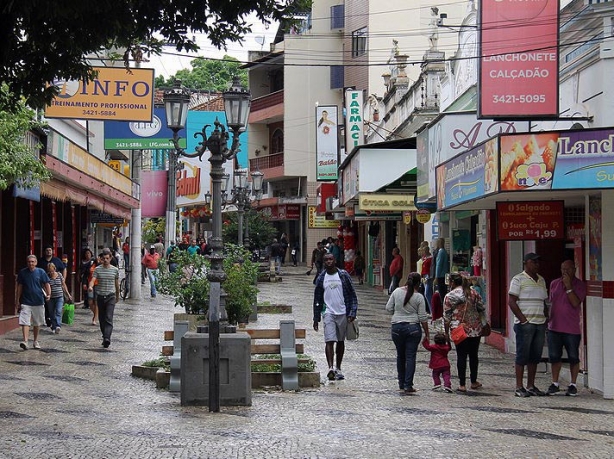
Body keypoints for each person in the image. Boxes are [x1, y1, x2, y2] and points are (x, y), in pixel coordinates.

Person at [508, 252, 548, 397]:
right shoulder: (518, 279)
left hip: (539, 322)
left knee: (535, 356)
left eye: (538, 262)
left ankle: (531, 385)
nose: (537, 265)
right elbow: (511, 301)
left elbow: (544, 301)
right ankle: (519, 386)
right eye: (534, 262)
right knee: (522, 355)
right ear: (526, 263)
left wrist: (546, 317)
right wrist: (523, 320)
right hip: (526, 323)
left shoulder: (542, 280)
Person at [313, 253, 358, 381]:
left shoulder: (343, 275)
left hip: (343, 312)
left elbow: (352, 295)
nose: (328, 261)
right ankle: (330, 368)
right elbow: (317, 298)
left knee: (340, 341)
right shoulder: (321, 278)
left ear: (335, 261)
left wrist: (352, 312)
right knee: (329, 340)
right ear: (323, 262)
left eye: (331, 259)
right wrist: (316, 318)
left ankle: (338, 367)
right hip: (328, 312)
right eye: (326, 259)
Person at [546, 259, 587, 396]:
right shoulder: (554, 283)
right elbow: (551, 302)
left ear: (574, 270)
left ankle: (573, 384)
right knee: (554, 356)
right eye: (563, 269)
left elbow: (576, 303)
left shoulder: (580, 285)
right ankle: (555, 383)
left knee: (573, 357)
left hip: (571, 328)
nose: (565, 272)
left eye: (568, 269)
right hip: (554, 327)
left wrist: (569, 287)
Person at [386, 272, 430, 394]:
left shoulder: (396, 292)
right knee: (410, 356)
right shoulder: (419, 297)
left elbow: (388, 308)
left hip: (396, 327)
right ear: (418, 283)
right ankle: (408, 385)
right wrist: (427, 333)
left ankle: (401, 383)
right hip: (413, 328)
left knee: (400, 356)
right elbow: (422, 317)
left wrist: (398, 313)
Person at [444, 273, 485, 392]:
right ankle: (473, 381)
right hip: (475, 329)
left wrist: (446, 332)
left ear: (452, 283)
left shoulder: (450, 296)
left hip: (459, 329)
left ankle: (462, 384)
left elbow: (447, 316)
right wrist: (484, 324)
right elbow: (481, 308)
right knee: (473, 355)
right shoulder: (474, 293)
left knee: (461, 355)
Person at [16, 255, 51, 350]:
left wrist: (49, 294)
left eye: (32, 262)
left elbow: (47, 284)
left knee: (37, 323)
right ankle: (25, 341)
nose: (30, 263)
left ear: (35, 263)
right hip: (26, 301)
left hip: (38, 301)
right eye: (29, 262)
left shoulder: (41, 272)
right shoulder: (23, 273)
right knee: (25, 321)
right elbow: (19, 287)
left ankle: (35, 341)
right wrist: (17, 300)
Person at [88, 248, 120, 348]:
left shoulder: (115, 270)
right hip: (100, 296)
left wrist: (117, 296)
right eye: (104, 258)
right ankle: (104, 336)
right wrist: (90, 286)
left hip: (111, 296)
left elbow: (116, 284)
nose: (105, 260)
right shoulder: (98, 269)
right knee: (102, 318)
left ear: (110, 258)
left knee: (108, 317)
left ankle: (107, 338)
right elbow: (93, 279)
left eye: (107, 258)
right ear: (101, 259)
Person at [46, 262, 72, 334]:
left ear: (54, 269)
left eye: (52, 270)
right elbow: (45, 286)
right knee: (51, 313)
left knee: (58, 310)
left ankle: (58, 325)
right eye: (49, 271)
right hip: (51, 297)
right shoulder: (47, 277)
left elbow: (64, 285)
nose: (51, 272)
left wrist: (68, 294)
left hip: (59, 296)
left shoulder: (59, 275)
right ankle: (53, 326)